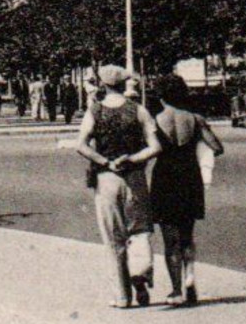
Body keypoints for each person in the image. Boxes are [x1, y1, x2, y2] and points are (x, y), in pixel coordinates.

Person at [76, 65, 163, 308]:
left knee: (114, 237)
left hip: (106, 178)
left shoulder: (94, 111)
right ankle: (141, 275)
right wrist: (132, 159)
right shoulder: (138, 110)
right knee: (139, 231)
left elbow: (81, 145)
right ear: (125, 84)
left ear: (103, 84)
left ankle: (122, 296)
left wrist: (106, 161)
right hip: (135, 176)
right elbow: (155, 147)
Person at [149, 74, 225, 305]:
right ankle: (190, 276)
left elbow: (148, 149)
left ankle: (176, 290)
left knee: (170, 240)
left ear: (161, 95)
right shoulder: (195, 119)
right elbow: (217, 147)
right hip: (189, 177)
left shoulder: (155, 120)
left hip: (164, 177)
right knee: (186, 235)